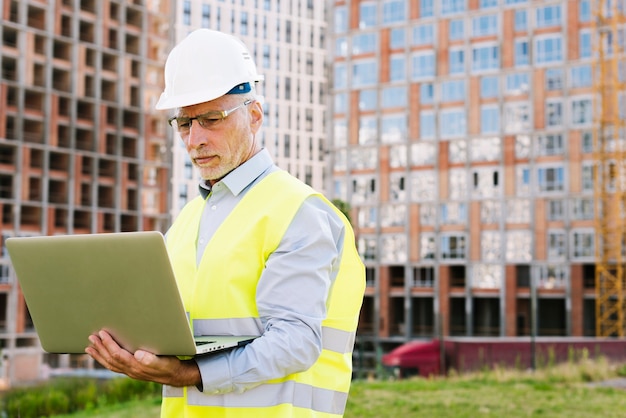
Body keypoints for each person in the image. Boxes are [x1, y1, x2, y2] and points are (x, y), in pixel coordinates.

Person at [85, 28, 365, 417]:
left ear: (254, 115)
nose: (194, 139)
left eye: (211, 119)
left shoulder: (300, 211)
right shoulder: (186, 222)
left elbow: (296, 342)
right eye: (184, 123)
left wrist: (189, 373)